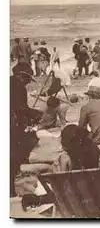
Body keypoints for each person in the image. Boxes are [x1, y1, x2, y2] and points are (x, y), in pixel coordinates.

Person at [21, 125, 100, 210]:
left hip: (74, 199)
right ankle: (38, 199)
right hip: (92, 194)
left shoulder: (66, 159)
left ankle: (38, 200)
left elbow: (62, 187)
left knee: (41, 174)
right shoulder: (94, 152)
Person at [10, 62, 40, 197]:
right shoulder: (18, 86)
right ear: (22, 76)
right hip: (12, 126)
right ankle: (12, 191)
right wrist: (36, 114)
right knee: (15, 157)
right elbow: (20, 109)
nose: (28, 83)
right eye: (27, 79)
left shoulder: (9, 82)